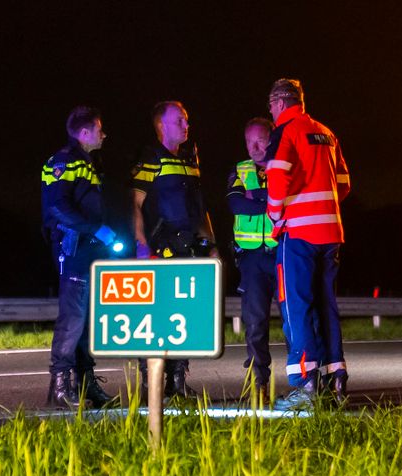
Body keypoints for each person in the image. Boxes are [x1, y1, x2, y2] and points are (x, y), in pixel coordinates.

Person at [264, 78, 351, 407]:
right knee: (326, 306)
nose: (271, 113)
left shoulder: (285, 130)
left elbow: (277, 176)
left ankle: (305, 385)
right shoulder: (326, 132)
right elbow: (343, 182)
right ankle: (335, 382)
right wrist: (323, 206)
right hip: (330, 232)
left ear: (282, 103)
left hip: (298, 233)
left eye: (271, 106)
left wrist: (275, 216)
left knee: (296, 307)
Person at [131, 100, 218, 399]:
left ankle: (178, 383)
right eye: (179, 120)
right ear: (161, 125)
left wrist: (212, 245)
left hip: (190, 249)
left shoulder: (190, 159)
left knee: (185, 316)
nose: (186, 125)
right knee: (157, 317)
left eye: (186, 119)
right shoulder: (150, 158)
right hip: (161, 249)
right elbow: (136, 204)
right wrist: (141, 246)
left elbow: (201, 207)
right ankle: (150, 385)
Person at [41, 106, 117, 408]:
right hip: (74, 250)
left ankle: (86, 385)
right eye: (99, 129)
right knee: (72, 319)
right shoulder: (62, 161)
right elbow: (57, 208)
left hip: (91, 251)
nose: (104, 134)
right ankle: (59, 387)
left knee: (87, 321)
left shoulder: (89, 162)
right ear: (84, 132)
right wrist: (97, 228)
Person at [226, 117, 278, 396]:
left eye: (259, 140)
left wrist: (254, 197)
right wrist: (267, 199)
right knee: (255, 322)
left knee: (294, 322)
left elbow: (287, 202)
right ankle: (259, 382)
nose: (254, 147)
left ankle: (303, 381)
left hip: (281, 253)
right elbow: (235, 204)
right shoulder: (240, 169)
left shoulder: (283, 167)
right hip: (251, 259)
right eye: (249, 141)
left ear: (271, 138)